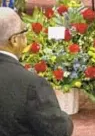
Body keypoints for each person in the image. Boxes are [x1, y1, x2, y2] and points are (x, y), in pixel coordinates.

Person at [0, 7, 73, 136]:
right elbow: (57, 131)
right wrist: (66, 118)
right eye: (24, 32)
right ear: (14, 40)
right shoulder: (31, 84)